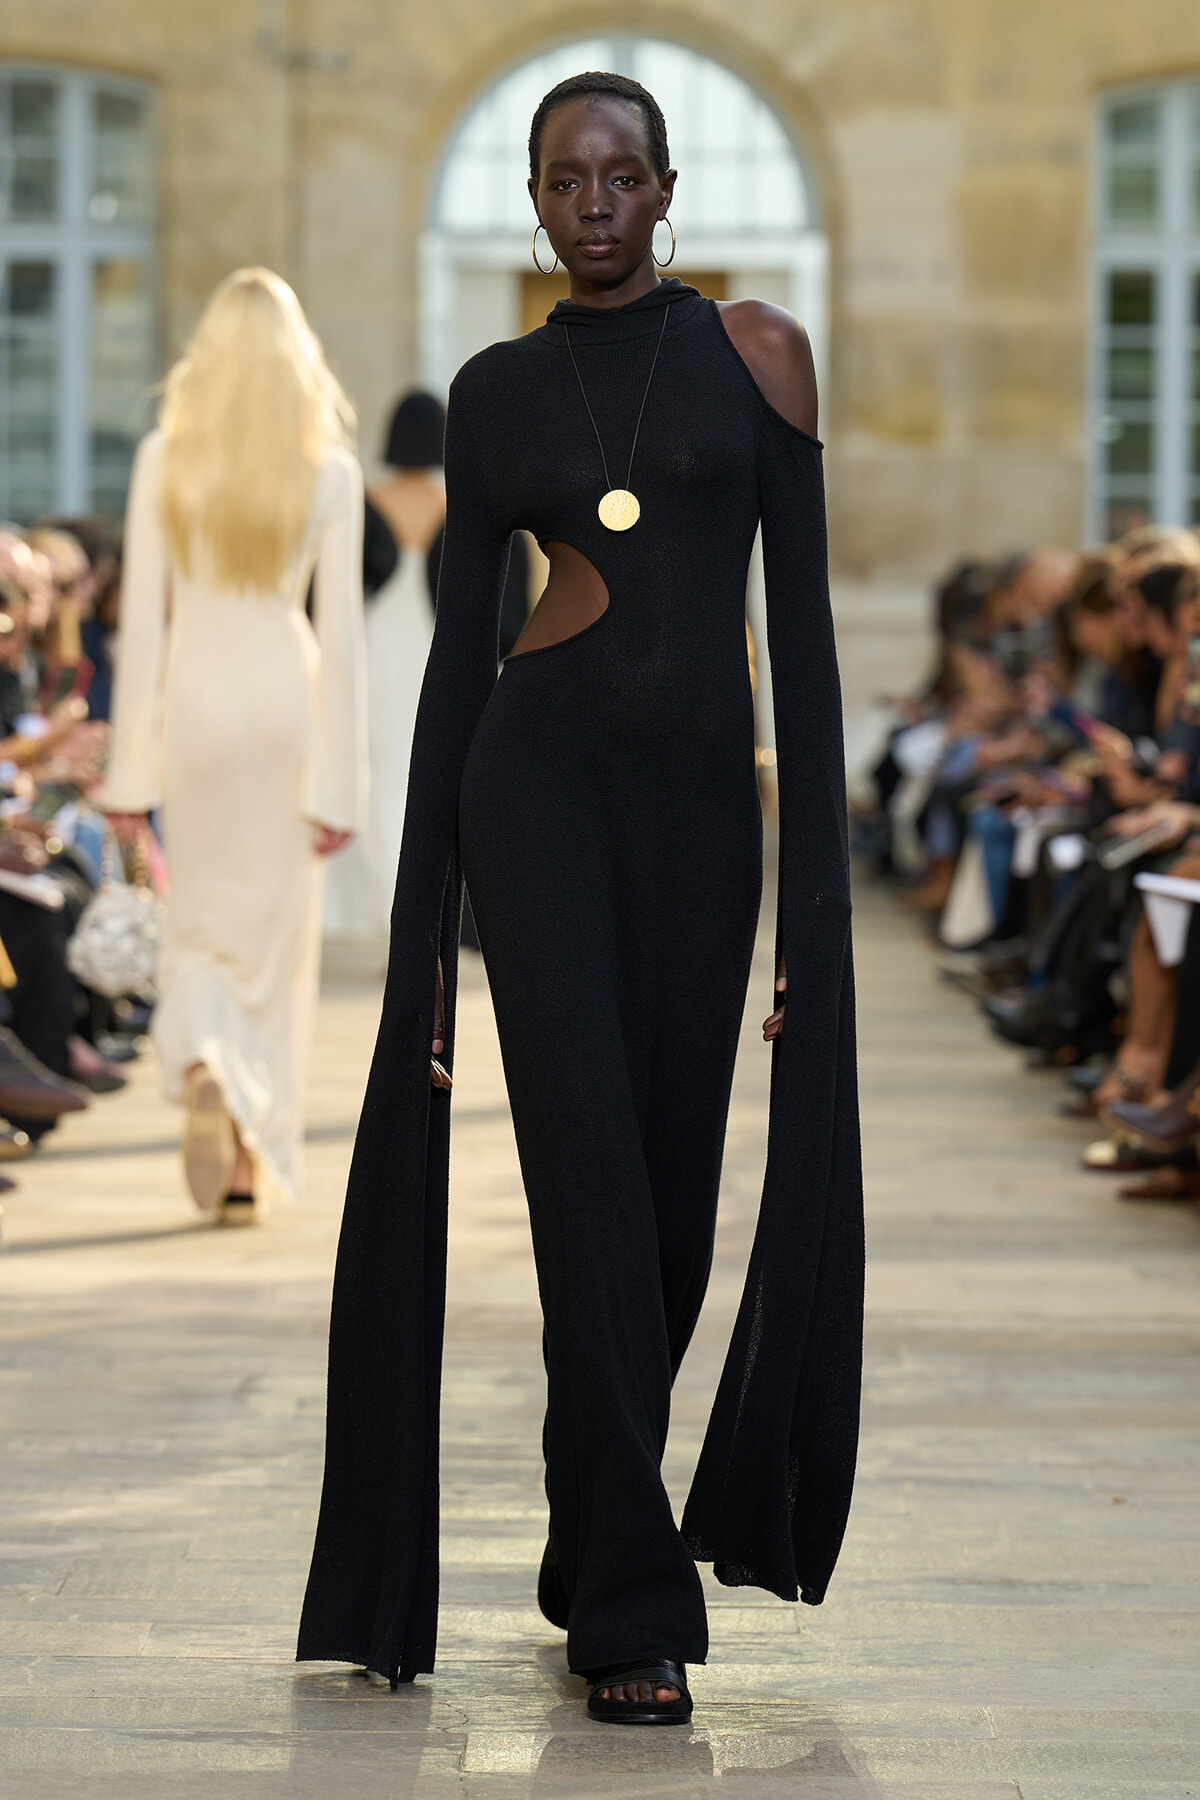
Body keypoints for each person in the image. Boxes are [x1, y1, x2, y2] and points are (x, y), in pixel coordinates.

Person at [298, 73, 863, 1722]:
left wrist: (815, 917)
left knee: (670, 1213)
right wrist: (422, 939)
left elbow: (806, 643)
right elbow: (456, 669)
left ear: (667, 189)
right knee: (589, 1193)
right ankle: (631, 1606)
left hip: (702, 828)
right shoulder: (496, 393)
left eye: (622, 175)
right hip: (534, 804)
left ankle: (586, 1508)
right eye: (565, 178)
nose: (594, 202)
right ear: (537, 199)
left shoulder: (760, 357)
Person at [103, 268, 367, 1224]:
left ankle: (205, 1061)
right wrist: (343, 789)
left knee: (202, 922)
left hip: (198, 701)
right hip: (284, 703)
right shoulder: (329, 470)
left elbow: (142, 624)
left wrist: (127, 777)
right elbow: (342, 640)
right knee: (275, 942)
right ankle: (250, 1151)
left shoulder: (162, 458)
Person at [323, 391, 443, 940]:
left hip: (377, 645)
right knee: (423, 766)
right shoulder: (457, 503)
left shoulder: (367, 499)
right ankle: (423, 900)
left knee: (376, 764)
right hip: (433, 644)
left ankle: (373, 898)